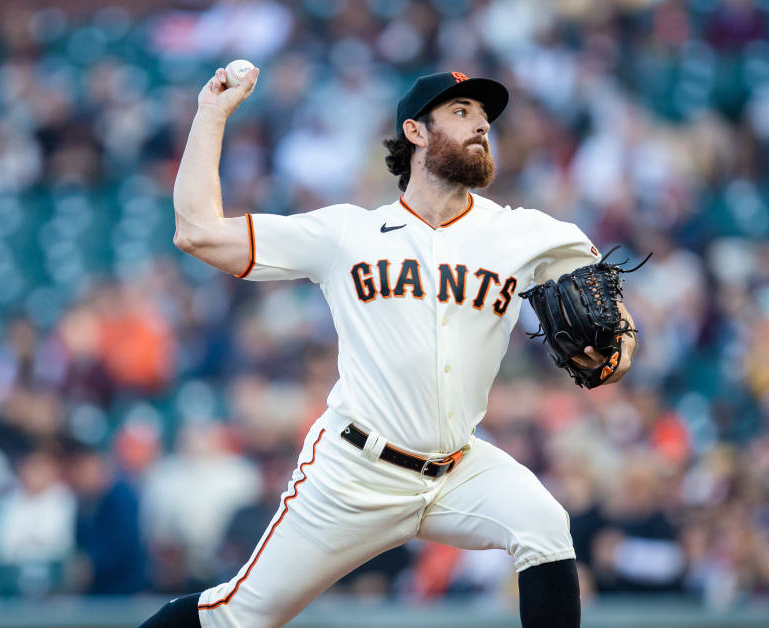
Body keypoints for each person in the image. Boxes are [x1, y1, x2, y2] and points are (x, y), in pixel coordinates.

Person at [141, 67, 637, 628]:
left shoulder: (526, 234)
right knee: (236, 615)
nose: (480, 125)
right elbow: (197, 232)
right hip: (357, 469)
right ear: (416, 132)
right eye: (461, 112)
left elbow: (620, 331)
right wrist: (211, 114)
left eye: (484, 117)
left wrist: (616, 359)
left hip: (459, 466)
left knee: (544, 526)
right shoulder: (347, 234)